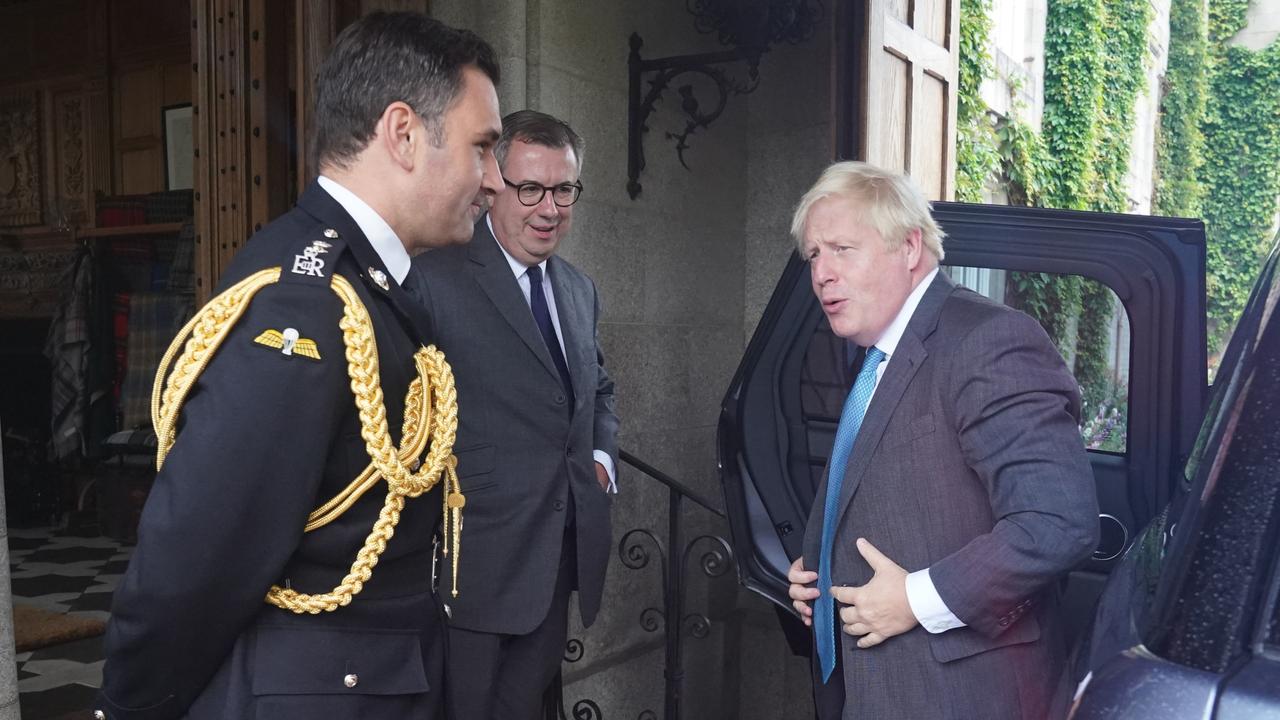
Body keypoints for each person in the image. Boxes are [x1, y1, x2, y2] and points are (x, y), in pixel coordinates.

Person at [94, 12, 503, 720]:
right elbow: (198, 552)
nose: (494, 179)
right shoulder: (307, 302)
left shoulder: (374, 281)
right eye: (483, 148)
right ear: (403, 134)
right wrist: (130, 707)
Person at [785, 162, 1099, 719]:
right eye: (813, 255)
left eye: (841, 249)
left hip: (959, 697)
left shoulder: (988, 340)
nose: (822, 274)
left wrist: (915, 599)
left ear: (908, 247)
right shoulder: (878, 356)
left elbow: (1056, 521)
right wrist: (821, 572)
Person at [408, 109, 619, 720]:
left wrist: (600, 459)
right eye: (530, 189)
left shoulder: (579, 289)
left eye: (563, 190)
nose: (548, 208)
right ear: (491, 187)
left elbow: (599, 390)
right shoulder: (433, 279)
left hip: (558, 558)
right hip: (471, 565)